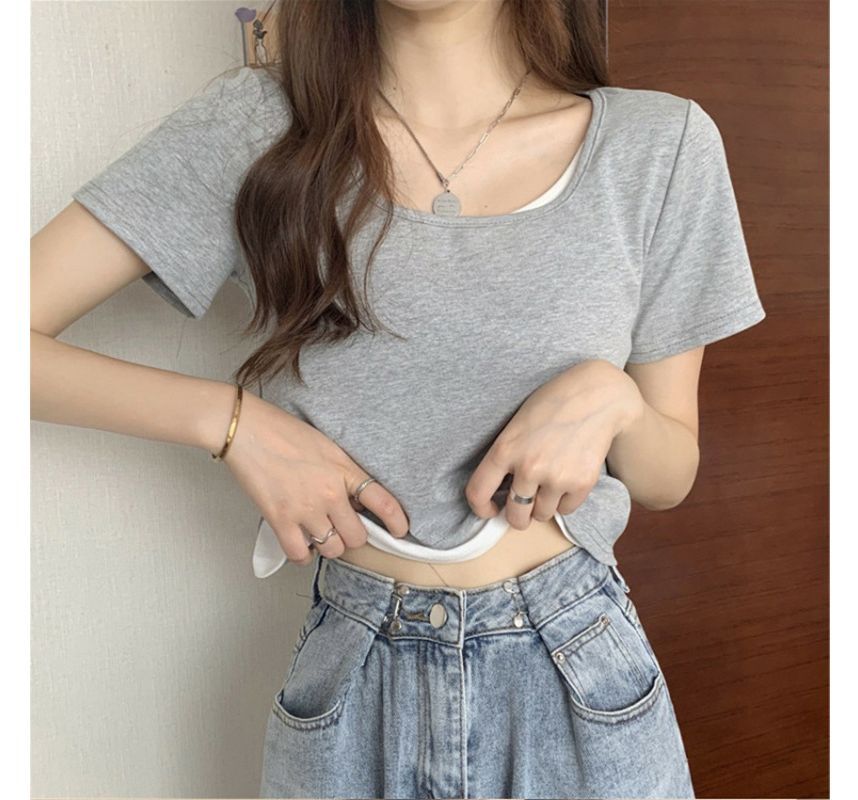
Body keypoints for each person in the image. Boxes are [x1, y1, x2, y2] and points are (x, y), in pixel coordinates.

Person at [31, 0, 767, 798]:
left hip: (579, 671)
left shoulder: (660, 145)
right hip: (354, 686)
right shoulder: (257, 127)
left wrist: (614, 399)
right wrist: (235, 424)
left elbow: (668, 476)